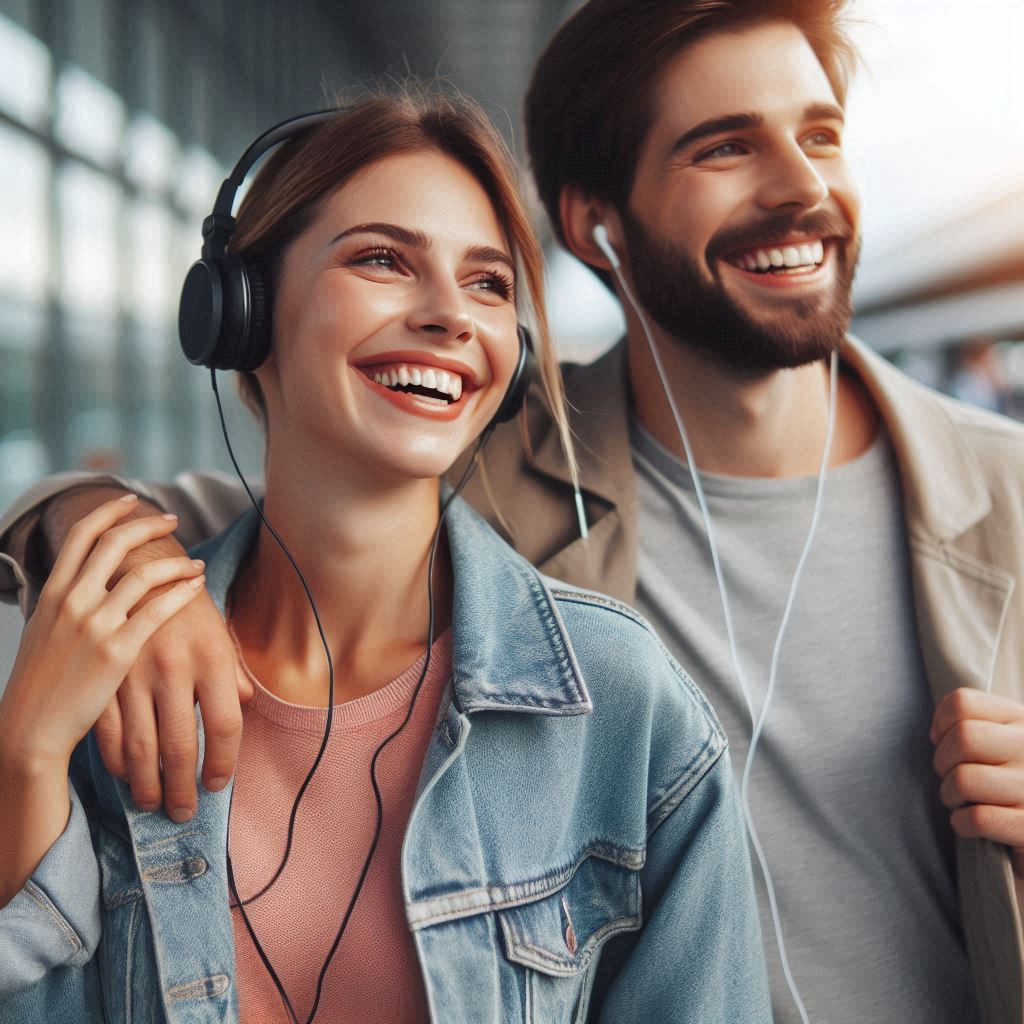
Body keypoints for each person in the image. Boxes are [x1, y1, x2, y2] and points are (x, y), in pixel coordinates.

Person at [2, 0, 1023, 1020]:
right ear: (594, 225)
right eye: (724, 147)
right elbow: (272, 516)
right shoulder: (504, 456)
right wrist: (109, 556)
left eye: (819, 135)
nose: (800, 185)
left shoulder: (1004, 493)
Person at [0, 89, 772, 1022]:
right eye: (382, 259)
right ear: (240, 313)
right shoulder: (96, 674)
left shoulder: (624, 708)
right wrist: (26, 762)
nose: (451, 314)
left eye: (488, 283)